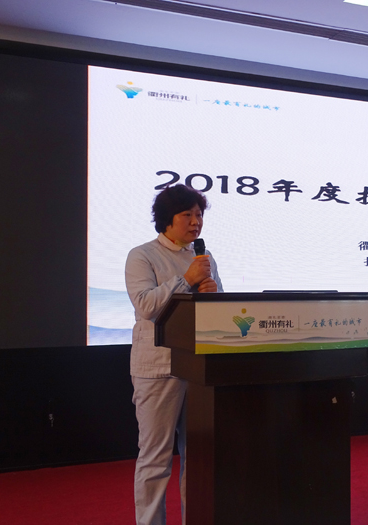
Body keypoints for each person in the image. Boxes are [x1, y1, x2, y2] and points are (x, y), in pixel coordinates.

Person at [125, 184, 223, 525]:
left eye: (199, 214)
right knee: (156, 458)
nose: (196, 222)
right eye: (187, 215)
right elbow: (146, 306)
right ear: (167, 219)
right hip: (158, 368)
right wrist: (186, 279)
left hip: (198, 367)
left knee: (198, 456)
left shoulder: (204, 258)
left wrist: (213, 293)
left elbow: (217, 313)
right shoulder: (142, 255)